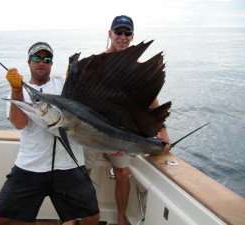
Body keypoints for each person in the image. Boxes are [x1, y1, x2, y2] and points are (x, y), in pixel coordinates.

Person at [0, 42, 100, 225]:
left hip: (69, 165)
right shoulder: (19, 91)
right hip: (31, 165)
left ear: (51, 64)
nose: (41, 62)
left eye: (47, 59)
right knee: (0, 213)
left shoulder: (64, 86)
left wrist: (76, 77)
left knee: (92, 215)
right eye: (36, 58)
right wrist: (16, 91)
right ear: (29, 62)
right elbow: (19, 124)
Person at [84, 15, 171, 225]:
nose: (122, 37)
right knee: (81, 173)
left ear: (132, 37)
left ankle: (121, 219)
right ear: (110, 34)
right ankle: (79, 216)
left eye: (127, 33)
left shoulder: (136, 68)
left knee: (122, 174)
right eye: (118, 32)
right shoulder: (95, 63)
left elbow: (150, 100)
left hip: (122, 133)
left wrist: (163, 131)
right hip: (92, 131)